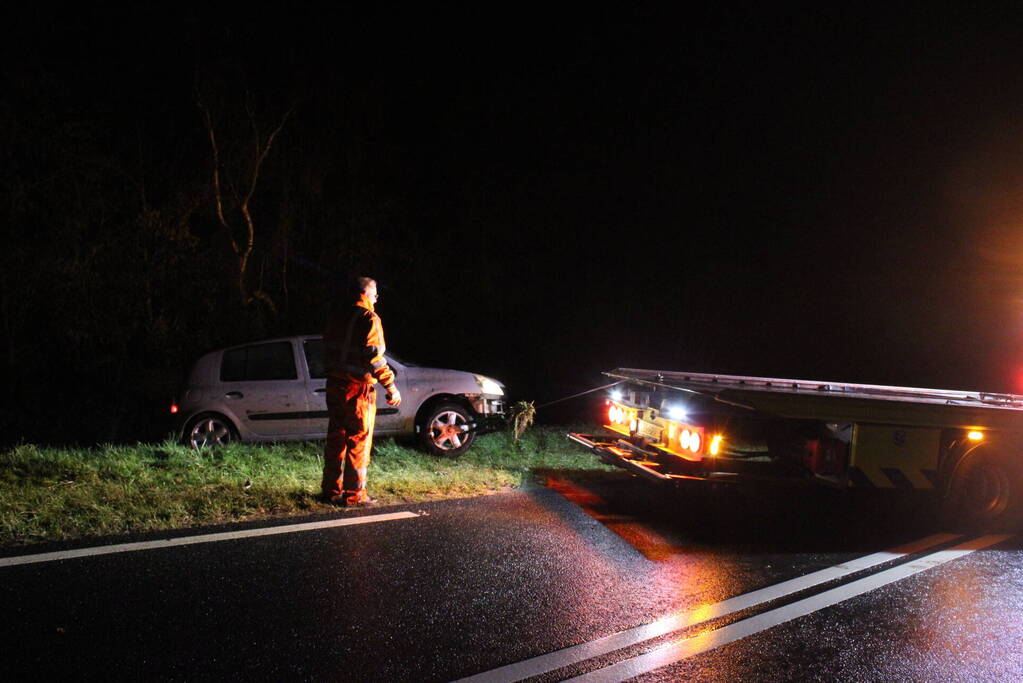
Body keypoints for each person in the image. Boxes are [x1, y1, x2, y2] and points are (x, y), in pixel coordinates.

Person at [320, 276, 401, 506]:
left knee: (336, 438)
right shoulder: (369, 318)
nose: (377, 297)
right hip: (358, 389)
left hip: (335, 386)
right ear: (365, 293)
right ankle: (354, 495)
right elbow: (375, 358)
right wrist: (391, 387)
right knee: (358, 440)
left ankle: (330, 490)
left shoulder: (337, 317)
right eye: (375, 293)